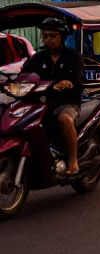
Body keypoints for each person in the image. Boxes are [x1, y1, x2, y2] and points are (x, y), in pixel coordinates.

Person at [21, 16, 84, 176]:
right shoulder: (39, 57)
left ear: (62, 36)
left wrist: (69, 83)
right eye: (45, 36)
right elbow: (23, 75)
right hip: (43, 103)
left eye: (52, 36)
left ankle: (73, 160)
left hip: (67, 103)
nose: (48, 39)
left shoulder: (73, 56)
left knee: (65, 119)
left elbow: (79, 77)